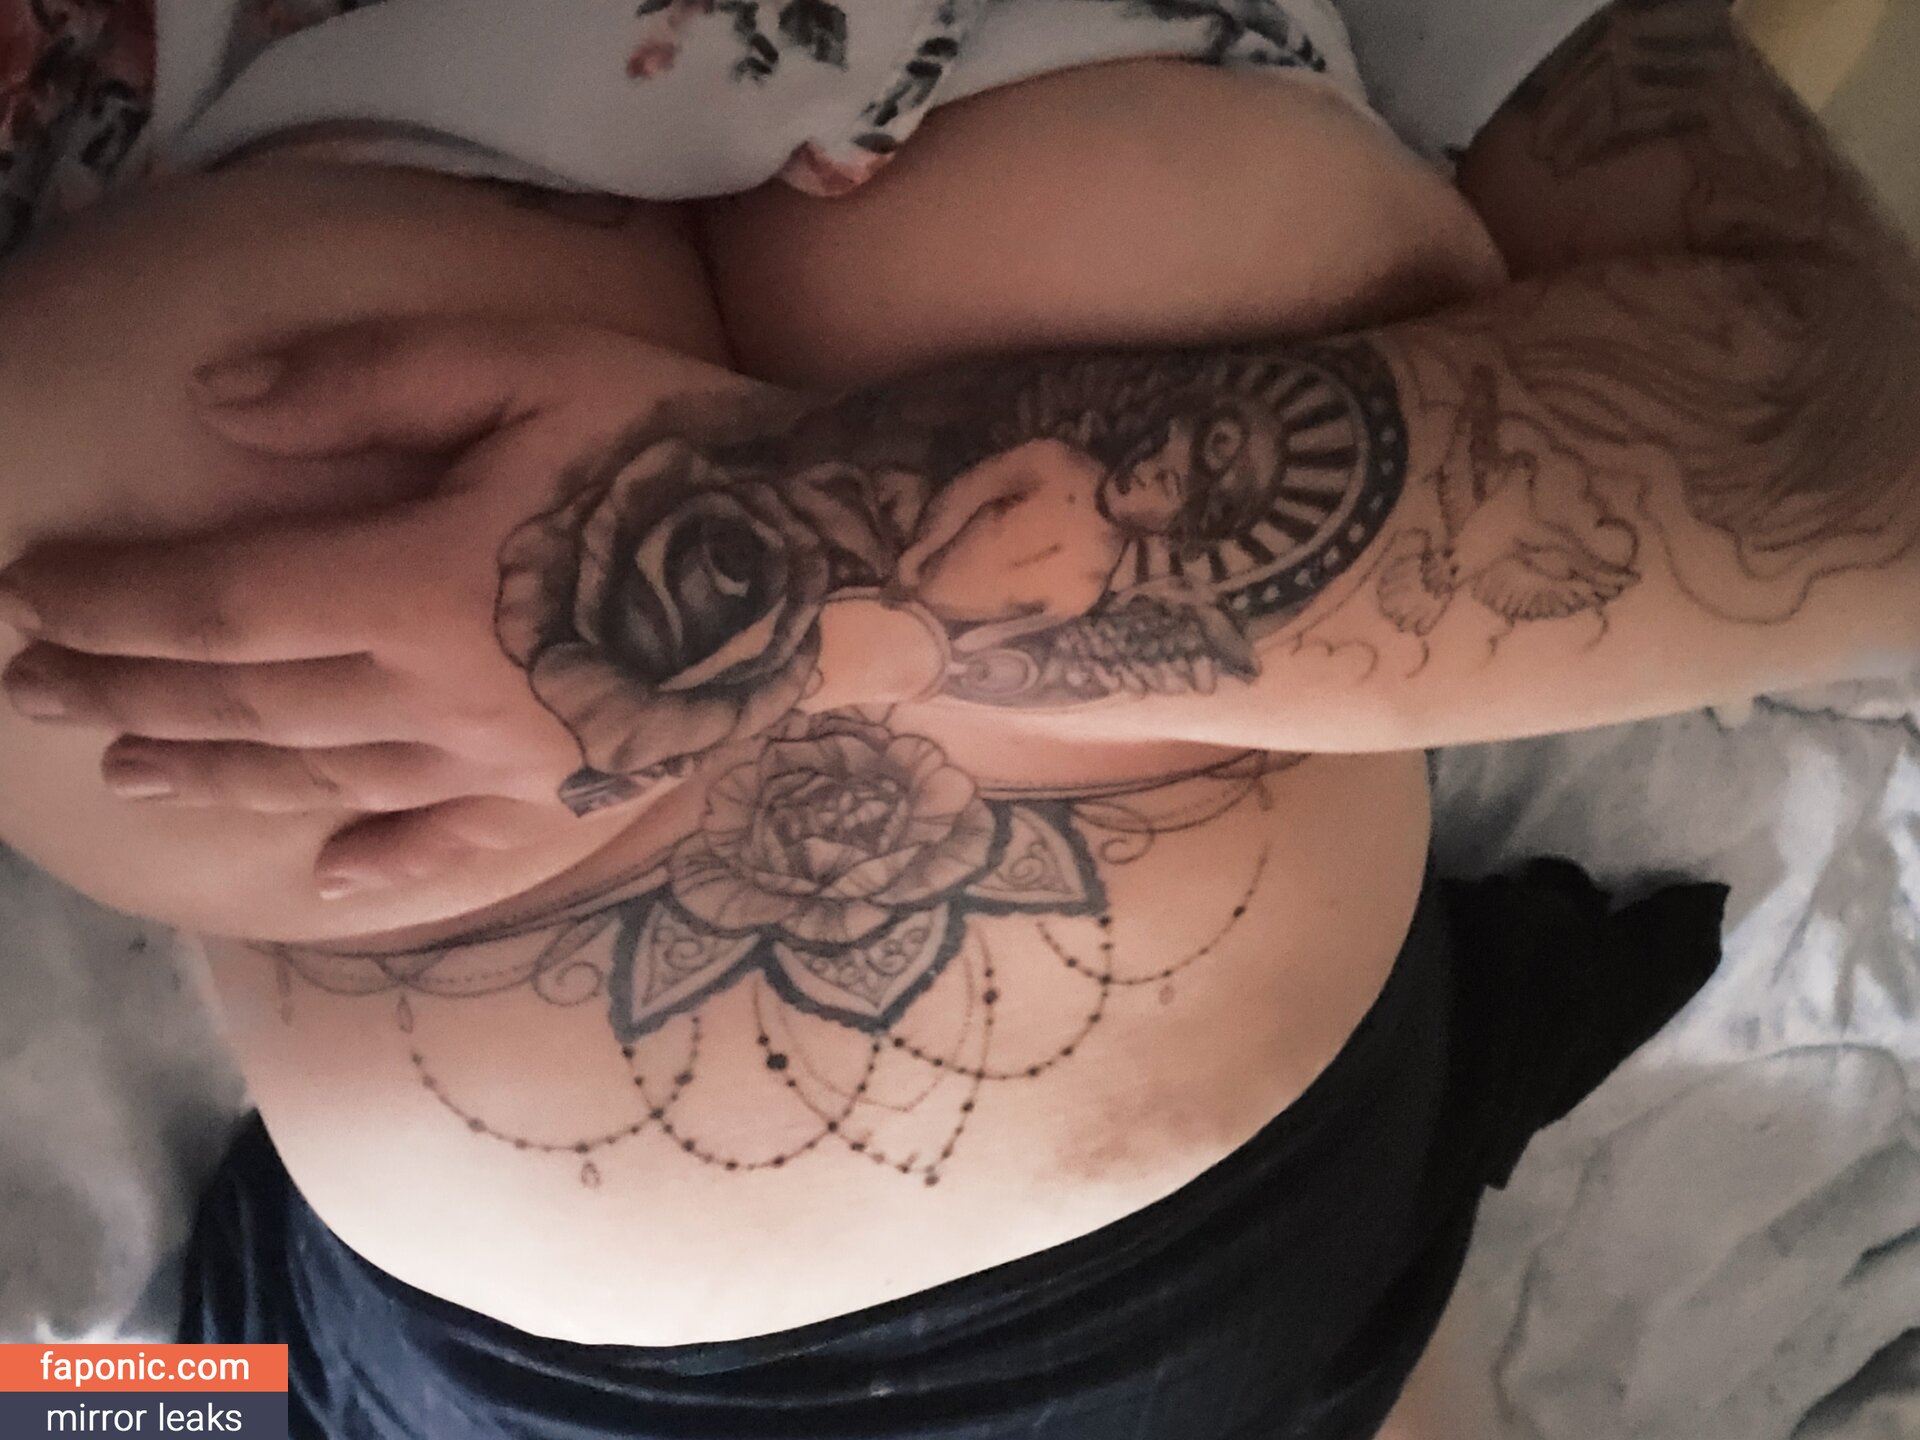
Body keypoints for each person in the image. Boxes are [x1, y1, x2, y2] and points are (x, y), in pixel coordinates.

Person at [0, 1, 1914, 1436]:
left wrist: (784, 563)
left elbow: (1872, 445)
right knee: (102, 1400)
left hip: (1241, 1271)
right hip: (449, 1378)